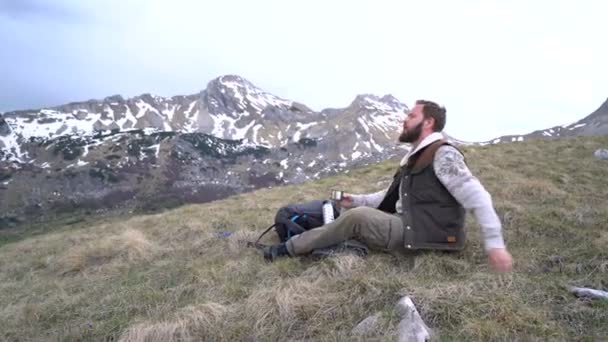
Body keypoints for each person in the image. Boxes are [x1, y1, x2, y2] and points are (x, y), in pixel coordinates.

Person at [264, 100, 513, 272]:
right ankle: (337, 245)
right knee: (353, 211)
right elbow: (392, 197)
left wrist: (495, 245)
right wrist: (356, 199)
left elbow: (478, 197)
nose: (405, 120)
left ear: (428, 122)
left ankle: (288, 248)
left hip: (428, 237)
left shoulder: (443, 155)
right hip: (410, 227)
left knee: (357, 219)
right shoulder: (418, 156)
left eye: (411, 116)